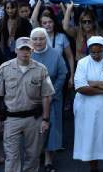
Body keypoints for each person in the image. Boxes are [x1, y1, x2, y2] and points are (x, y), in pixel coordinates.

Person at [0, 37, 54, 172]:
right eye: (22, 49)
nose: (25, 52)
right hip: (12, 118)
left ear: (32, 50)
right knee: (11, 157)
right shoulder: (4, 69)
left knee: (33, 157)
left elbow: (46, 96)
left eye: (27, 49)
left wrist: (45, 119)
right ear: (16, 50)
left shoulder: (41, 69)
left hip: (33, 118)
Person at [73, 36, 103, 171]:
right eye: (93, 52)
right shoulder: (82, 63)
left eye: (99, 52)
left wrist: (95, 83)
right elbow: (80, 87)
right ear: (88, 51)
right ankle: (93, 168)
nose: (96, 55)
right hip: (87, 110)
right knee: (90, 139)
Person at [30, 28, 67, 172]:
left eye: (41, 38)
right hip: (31, 98)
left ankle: (48, 160)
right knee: (33, 129)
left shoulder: (55, 54)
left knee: (51, 128)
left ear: (46, 39)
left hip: (52, 97)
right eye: (35, 39)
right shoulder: (28, 54)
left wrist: (51, 93)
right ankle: (34, 156)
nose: (38, 42)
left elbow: (62, 74)